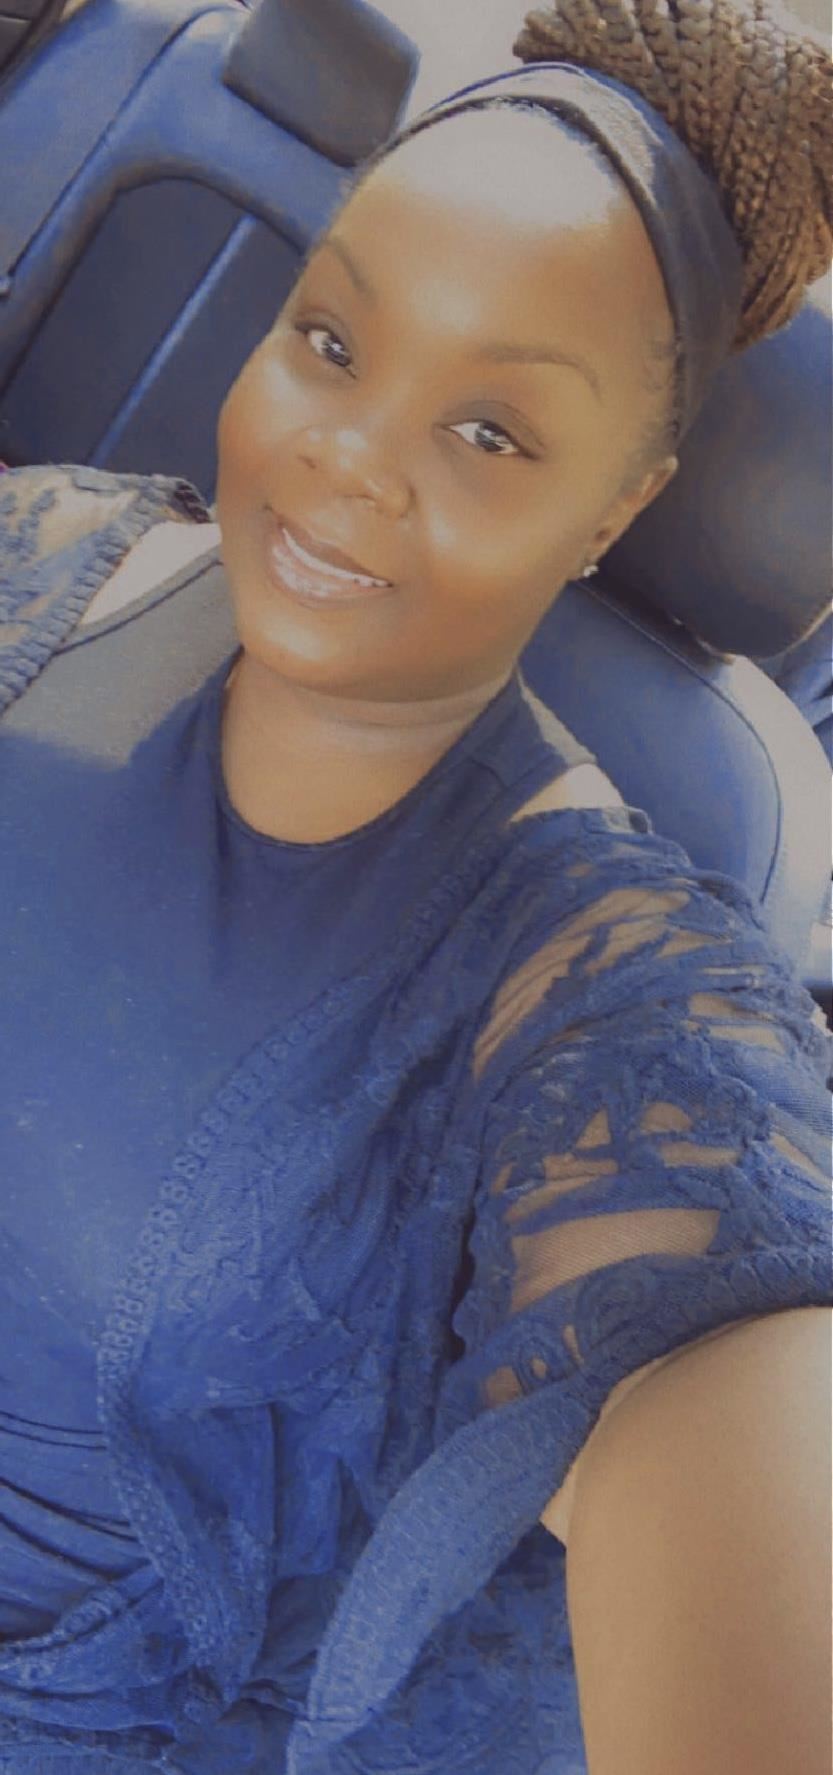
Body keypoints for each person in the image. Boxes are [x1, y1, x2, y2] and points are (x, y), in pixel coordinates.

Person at [0, 1, 831, 1770]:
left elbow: (718, 1384)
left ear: (615, 508)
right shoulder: (49, 553)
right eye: (329, 340)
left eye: (492, 433)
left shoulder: (594, 993)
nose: (351, 454)